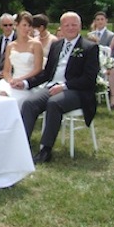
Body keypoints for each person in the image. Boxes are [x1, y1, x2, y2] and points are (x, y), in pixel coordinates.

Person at [14, 11, 99, 164]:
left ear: (80, 26)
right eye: (66, 25)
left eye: (74, 24)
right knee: (29, 103)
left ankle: (45, 149)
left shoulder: (89, 47)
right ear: (61, 27)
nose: (70, 28)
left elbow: (89, 79)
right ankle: (22, 144)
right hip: (52, 87)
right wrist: (26, 83)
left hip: (76, 91)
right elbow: (46, 74)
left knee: (54, 103)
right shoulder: (56, 45)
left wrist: (64, 86)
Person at [0, 11, 43, 109]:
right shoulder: (11, 46)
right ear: (16, 25)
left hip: (28, 82)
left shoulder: (36, 44)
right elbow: (6, 70)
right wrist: (10, 80)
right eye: (24, 25)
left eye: (29, 25)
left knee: (5, 97)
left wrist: (21, 80)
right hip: (12, 81)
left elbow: (37, 69)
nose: (27, 28)